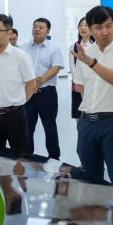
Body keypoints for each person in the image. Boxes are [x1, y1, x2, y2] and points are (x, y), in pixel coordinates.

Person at [71, 6, 113, 195]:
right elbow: (80, 87)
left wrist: (92, 63)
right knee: (90, 178)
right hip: (87, 123)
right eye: (98, 27)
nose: (105, 32)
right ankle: (95, 211)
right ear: (90, 29)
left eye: (109, 26)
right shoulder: (85, 53)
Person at [0, 14, 37, 156]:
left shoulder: (21, 56)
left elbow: (31, 84)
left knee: (20, 159)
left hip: (15, 116)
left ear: (9, 33)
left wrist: (18, 102)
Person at [22, 18, 65, 159]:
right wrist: (30, 85)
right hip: (28, 94)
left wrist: (38, 82)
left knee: (49, 126)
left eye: (41, 27)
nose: (37, 29)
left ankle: (54, 157)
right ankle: (27, 156)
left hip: (47, 93)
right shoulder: (23, 48)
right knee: (27, 127)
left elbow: (56, 67)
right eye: (35, 26)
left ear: (48, 31)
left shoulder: (54, 48)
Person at [71, 18, 93, 119]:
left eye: (86, 25)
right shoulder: (73, 46)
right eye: (81, 25)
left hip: (92, 82)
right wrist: (78, 82)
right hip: (78, 83)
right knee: (79, 115)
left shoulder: (95, 45)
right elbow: (72, 66)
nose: (83, 28)